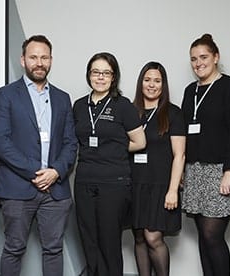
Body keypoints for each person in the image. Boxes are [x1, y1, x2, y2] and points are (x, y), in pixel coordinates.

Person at [0, 35, 77, 276]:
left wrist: (56, 172)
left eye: (44, 57)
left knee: (53, 250)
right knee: (14, 249)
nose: (39, 62)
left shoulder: (62, 98)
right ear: (23, 60)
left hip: (56, 190)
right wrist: (36, 173)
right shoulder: (6, 94)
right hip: (18, 188)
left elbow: (71, 143)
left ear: (51, 60)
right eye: (33, 57)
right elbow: (1, 141)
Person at [180, 34, 230, 276]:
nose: (198, 63)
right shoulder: (191, 91)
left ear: (216, 57)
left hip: (222, 170)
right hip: (195, 171)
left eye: (203, 57)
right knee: (203, 234)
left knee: (212, 235)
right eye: (193, 59)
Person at [73, 52, 146, 276]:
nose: (101, 77)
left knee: (108, 240)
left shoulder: (123, 105)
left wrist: (113, 148)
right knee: (89, 239)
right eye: (96, 72)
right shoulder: (78, 106)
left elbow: (139, 141)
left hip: (113, 183)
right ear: (89, 75)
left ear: (113, 77)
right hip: (84, 180)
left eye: (106, 73)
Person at [130, 61, 186, 276]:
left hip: (160, 185)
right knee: (138, 237)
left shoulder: (172, 113)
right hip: (134, 183)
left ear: (163, 85)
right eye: (147, 80)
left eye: (157, 81)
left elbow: (179, 155)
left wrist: (173, 190)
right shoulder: (131, 111)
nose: (151, 85)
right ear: (140, 83)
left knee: (153, 237)